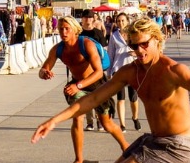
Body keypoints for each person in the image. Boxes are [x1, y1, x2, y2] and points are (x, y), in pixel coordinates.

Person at [32, 18, 190, 162]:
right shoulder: (131, 72)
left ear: (157, 40)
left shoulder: (173, 70)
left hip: (178, 146)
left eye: (144, 44)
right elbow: (92, 99)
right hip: (153, 140)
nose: (139, 50)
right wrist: (53, 121)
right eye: (134, 46)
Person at [36, 16, 128, 163]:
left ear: (74, 29)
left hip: (97, 85)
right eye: (61, 29)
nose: (64, 32)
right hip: (77, 86)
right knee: (77, 118)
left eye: (67, 29)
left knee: (106, 123)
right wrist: (44, 73)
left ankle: (126, 148)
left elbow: (98, 72)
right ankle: (79, 160)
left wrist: (78, 85)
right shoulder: (58, 49)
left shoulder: (86, 44)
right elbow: (44, 68)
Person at [107, 13, 142, 132]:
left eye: (122, 20)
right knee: (120, 98)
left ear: (127, 21)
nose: (120, 23)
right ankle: (122, 124)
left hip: (133, 68)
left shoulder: (134, 34)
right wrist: (109, 71)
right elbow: (110, 54)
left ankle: (135, 117)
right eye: (118, 21)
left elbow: (142, 49)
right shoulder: (114, 36)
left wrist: (135, 53)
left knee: (133, 98)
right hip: (119, 69)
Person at [79, 9, 108, 131]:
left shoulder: (98, 33)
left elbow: (104, 50)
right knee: (85, 96)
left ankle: (100, 121)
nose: (87, 20)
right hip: (82, 69)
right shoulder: (78, 34)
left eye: (89, 17)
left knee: (98, 95)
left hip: (97, 69)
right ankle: (90, 122)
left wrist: (103, 68)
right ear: (82, 19)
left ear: (93, 19)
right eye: (85, 17)